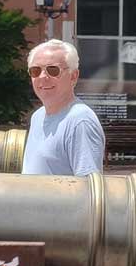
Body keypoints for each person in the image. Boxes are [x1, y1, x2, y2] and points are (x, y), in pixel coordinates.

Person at [21, 39, 106, 176]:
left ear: (74, 76)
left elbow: (88, 188)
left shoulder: (80, 122)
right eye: (35, 71)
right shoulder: (37, 117)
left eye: (53, 70)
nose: (43, 77)